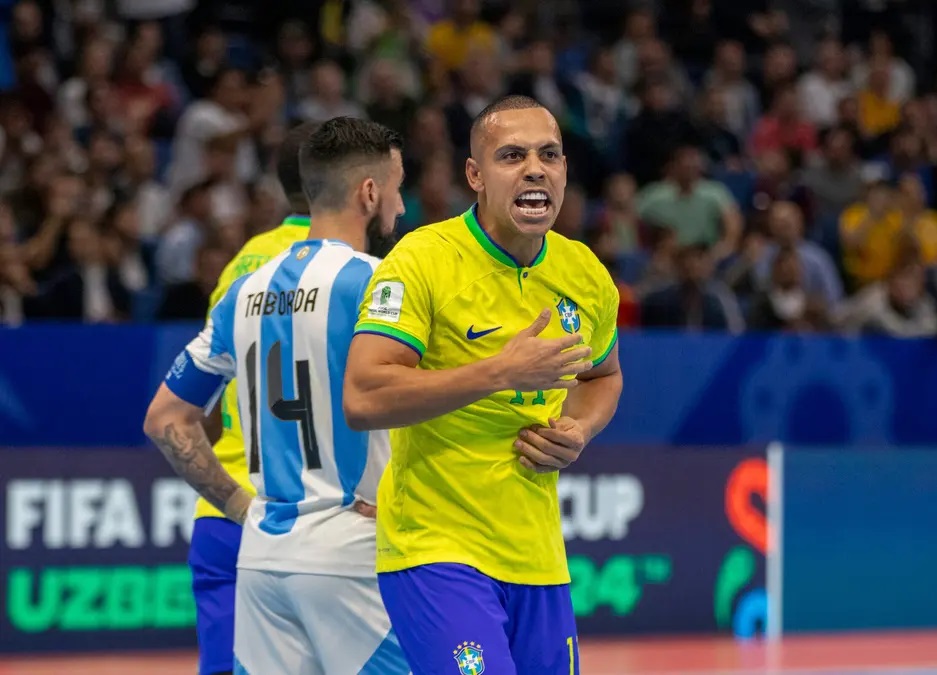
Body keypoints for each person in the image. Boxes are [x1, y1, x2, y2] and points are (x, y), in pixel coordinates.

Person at [343, 95, 623, 674]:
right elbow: (364, 396)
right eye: (512, 155)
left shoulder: (585, 274)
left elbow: (603, 375)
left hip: (539, 558)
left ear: (565, 170)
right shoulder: (422, 259)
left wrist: (581, 428)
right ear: (476, 175)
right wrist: (500, 372)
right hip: (436, 550)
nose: (535, 169)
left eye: (549, 154)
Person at [143, 117, 409, 674]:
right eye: (396, 188)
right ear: (369, 192)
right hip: (351, 554)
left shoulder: (244, 287)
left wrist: (241, 507)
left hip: (263, 559)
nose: (401, 206)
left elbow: (166, 418)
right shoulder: (378, 283)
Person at [166, 120, 319, 675]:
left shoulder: (242, 263)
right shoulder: (350, 269)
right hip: (311, 516)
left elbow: (200, 402)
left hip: (225, 508)